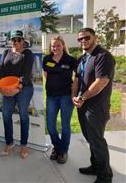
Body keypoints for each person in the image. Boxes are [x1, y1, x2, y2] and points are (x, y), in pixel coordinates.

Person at [72, 28, 115, 183]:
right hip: (83, 105)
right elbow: (77, 79)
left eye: (86, 38)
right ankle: (95, 166)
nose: (83, 41)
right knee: (90, 139)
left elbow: (101, 82)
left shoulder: (103, 56)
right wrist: (74, 96)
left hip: (97, 107)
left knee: (97, 141)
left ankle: (105, 176)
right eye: (80, 39)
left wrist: (82, 97)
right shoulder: (83, 58)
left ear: (95, 38)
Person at [0, 30, 34, 159]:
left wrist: (18, 88)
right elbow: (1, 70)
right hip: (8, 88)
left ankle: (23, 145)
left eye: (18, 40)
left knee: (23, 114)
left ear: (23, 40)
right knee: (6, 114)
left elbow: (27, 73)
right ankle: (9, 143)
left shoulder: (27, 53)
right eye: (13, 40)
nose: (16, 42)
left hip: (24, 88)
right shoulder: (6, 52)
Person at [42, 36, 77, 164]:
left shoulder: (71, 60)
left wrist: (74, 92)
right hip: (51, 96)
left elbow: (77, 77)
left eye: (57, 45)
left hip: (66, 96)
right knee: (50, 125)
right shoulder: (46, 59)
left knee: (65, 125)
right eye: (53, 46)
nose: (55, 48)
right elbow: (46, 75)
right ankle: (57, 147)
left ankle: (63, 151)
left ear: (63, 45)